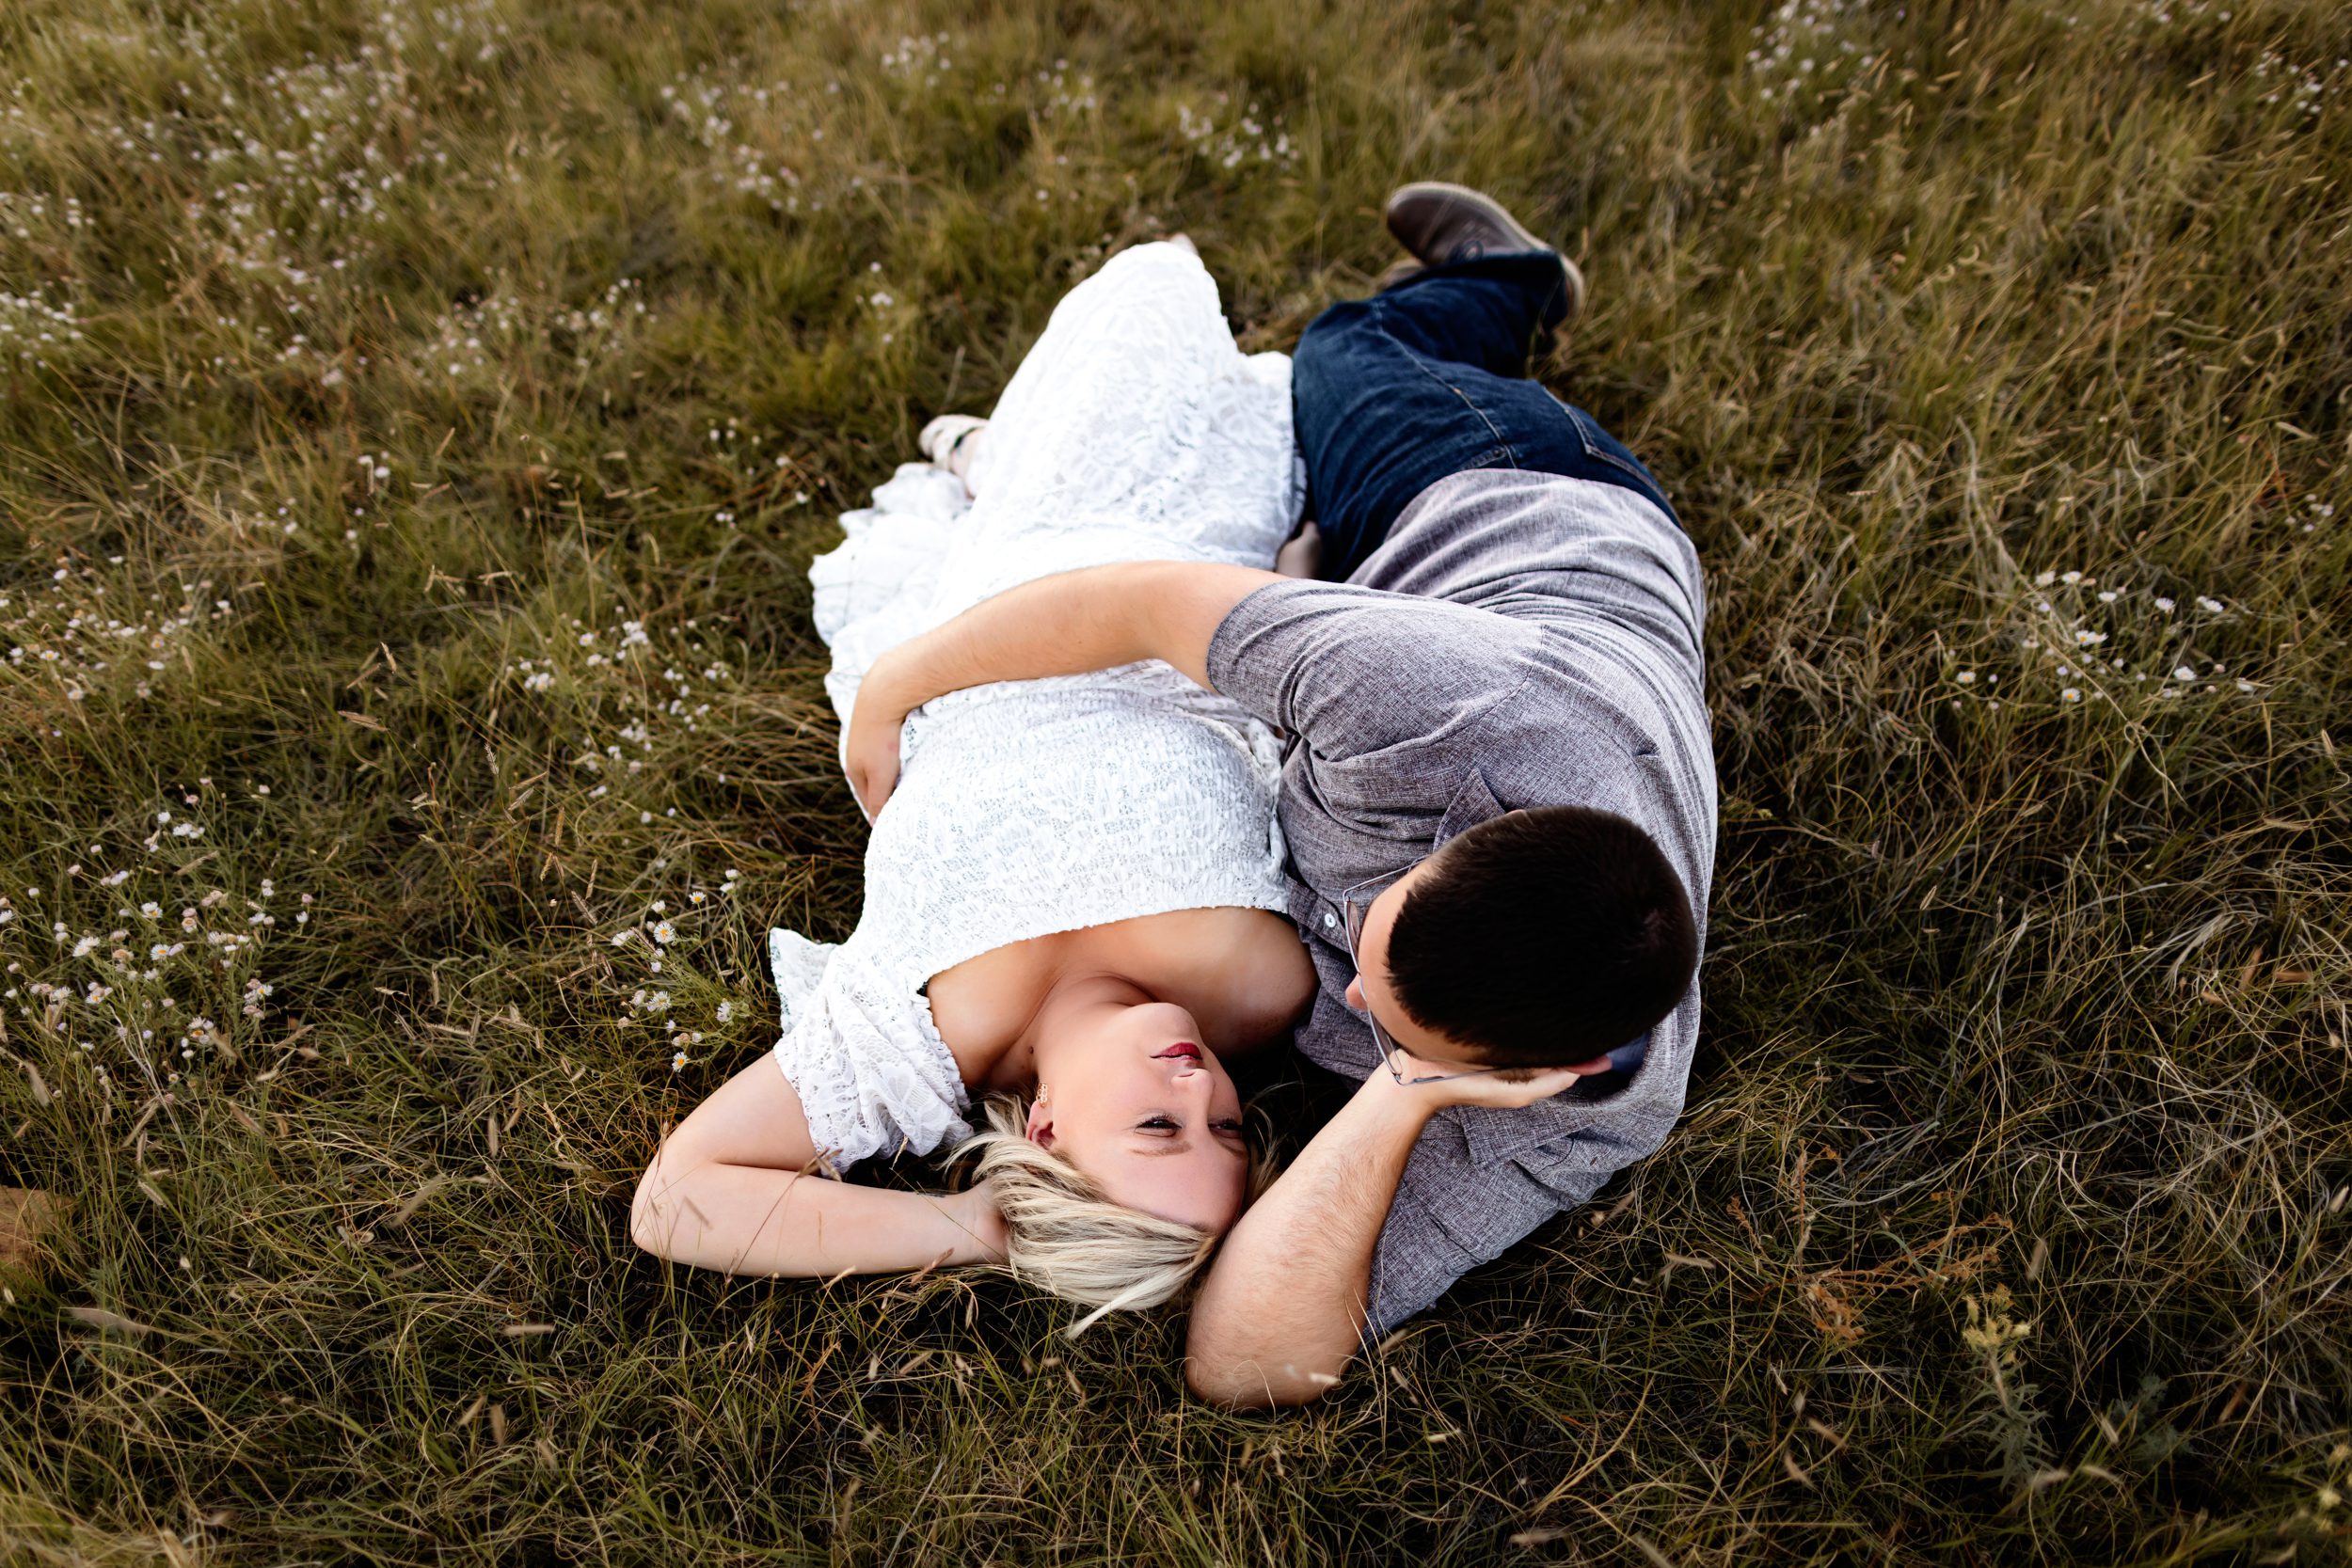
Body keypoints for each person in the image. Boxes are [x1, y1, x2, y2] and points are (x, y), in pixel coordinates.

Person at [845, 183, 1716, 1406]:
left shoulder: (1588, 1108)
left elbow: (1249, 1361)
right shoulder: (1436, 701)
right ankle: (1509, 277)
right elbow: (1141, 598)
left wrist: (1408, 1092)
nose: (1352, 992)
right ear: (1454, 830)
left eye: (1402, 1025)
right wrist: (894, 688)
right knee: (1342, 353)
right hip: (1488, 493)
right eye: (1381, 945)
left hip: (1495, 639)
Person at [630, 241, 1322, 1321]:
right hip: (1191, 577)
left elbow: (675, 1198)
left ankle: (988, 470)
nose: (1202, 1090)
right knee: (1176, 300)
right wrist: (1296, 591)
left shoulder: (909, 1045)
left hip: (986, 603)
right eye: (1229, 1127)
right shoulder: (1266, 983)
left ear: (1043, 1131)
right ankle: (988, 462)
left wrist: (983, 1230)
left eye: (1157, 1126)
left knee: (1158, 282)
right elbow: (1298, 738)